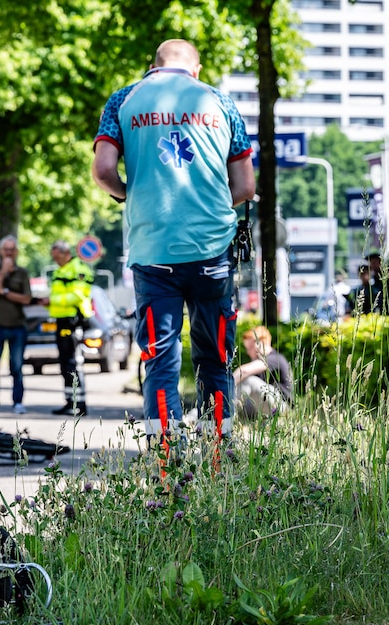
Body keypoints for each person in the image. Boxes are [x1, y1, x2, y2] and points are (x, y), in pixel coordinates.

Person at [90, 39, 256, 443]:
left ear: (153, 67)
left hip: (152, 251)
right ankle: (218, 458)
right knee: (215, 358)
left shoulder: (124, 100)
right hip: (211, 251)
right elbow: (246, 185)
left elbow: (103, 170)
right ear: (195, 70)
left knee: (160, 360)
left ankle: (168, 464)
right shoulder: (220, 102)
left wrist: (132, 195)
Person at [40, 240, 94, 416]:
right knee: (65, 363)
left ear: (65, 253)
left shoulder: (77, 270)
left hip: (73, 321)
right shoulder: (59, 271)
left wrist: (52, 301)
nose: (55, 260)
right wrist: (48, 303)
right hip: (62, 320)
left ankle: (79, 404)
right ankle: (70, 402)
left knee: (73, 362)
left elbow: (77, 295)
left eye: (57, 257)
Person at [0, 235, 33, 415]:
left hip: (18, 325)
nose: (9, 253)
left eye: (12, 249)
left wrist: (4, 291)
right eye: (6, 249)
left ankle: (18, 402)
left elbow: (26, 299)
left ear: (17, 251)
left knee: (17, 366)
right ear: (0, 251)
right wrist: (3, 272)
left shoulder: (22, 273)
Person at [232, 326, 293, 419]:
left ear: (260, 343)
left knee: (248, 381)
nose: (248, 352)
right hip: (263, 406)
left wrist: (225, 385)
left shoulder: (276, 358)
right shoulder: (261, 362)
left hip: (282, 407)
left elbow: (243, 371)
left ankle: (225, 418)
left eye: (250, 347)